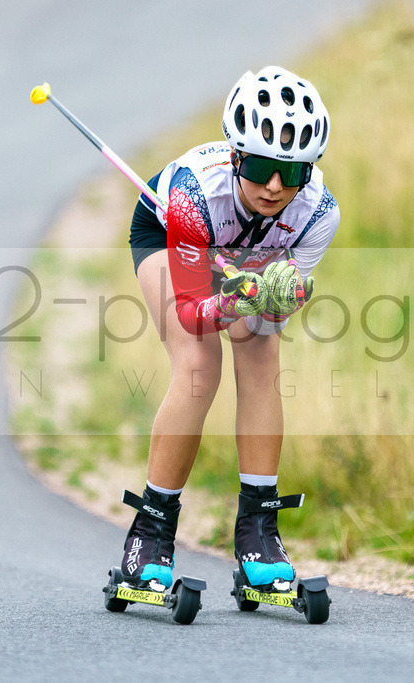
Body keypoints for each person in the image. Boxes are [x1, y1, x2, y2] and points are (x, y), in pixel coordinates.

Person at [120, 66, 339, 593]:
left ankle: (258, 532)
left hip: (250, 253)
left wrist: (278, 298)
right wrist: (235, 296)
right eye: (262, 166)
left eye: (293, 172)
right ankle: (150, 533)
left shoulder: (318, 214)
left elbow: (271, 315)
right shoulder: (197, 192)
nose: (274, 186)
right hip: (172, 231)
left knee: (261, 353)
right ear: (238, 156)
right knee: (199, 365)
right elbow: (195, 313)